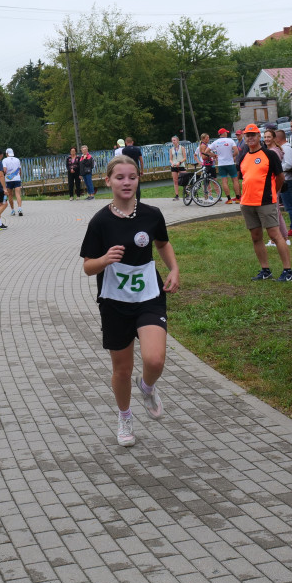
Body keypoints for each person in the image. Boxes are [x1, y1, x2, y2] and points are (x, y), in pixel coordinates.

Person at [80, 156, 180, 448]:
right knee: (122, 370)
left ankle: (147, 387)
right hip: (115, 302)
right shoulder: (100, 221)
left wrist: (173, 269)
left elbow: (162, 243)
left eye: (132, 177)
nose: (126, 182)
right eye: (120, 177)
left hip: (149, 296)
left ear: (139, 179)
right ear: (108, 181)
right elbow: (87, 266)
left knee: (154, 359)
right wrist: (104, 259)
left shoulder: (151, 214)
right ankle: (124, 416)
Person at [238, 124, 292, 282]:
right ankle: (265, 270)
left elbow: (280, 177)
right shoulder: (243, 157)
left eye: (253, 135)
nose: (250, 138)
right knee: (256, 236)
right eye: (247, 135)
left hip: (266, 201)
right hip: (247, 203)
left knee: (275, 235)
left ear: (259, 136)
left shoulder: (269, 154)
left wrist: (273, 193)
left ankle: (288, 271)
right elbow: (245, 178)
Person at [262, 129, 290, 246]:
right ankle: (284, 237)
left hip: (274, 184)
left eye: (269, 137)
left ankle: (277, 238)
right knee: (276, 211)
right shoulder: (272, 150)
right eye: (265, 137)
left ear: (274, 138)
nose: (266, 139)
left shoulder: (274, 152)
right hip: (272, 184)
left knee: (274, 211)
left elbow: (274, 170)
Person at [274, 127, 292, 237]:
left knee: (289, 205)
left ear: (278, 138)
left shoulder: (287, 148)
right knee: (287, 204)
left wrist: (277, 168)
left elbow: (289, 164)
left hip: (288, 180)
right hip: (285, 179)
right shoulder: (282, 148)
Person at [209, 128, 239, 203]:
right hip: (230, 163)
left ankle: (229, 199)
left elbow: (206, 151)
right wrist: (232, 156)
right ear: (224, 133)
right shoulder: (230, 140)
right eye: (226, 132)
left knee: (224, 181)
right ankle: (238, 198)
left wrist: (214, 155)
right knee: (235, 180)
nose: (227, 133)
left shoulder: (215, 142)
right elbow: (236, 151)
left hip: (221, 164)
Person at [2, 148, 24, 216]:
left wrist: (3, 175)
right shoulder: (17, 159)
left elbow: (4, 170)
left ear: (7, 153)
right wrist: (19, 177)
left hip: (9, 180)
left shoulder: (4, 160)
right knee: (18, 194)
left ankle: (12, 210)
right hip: (17, 178)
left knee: (10, 195)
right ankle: (20, 208)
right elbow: (20, 170)